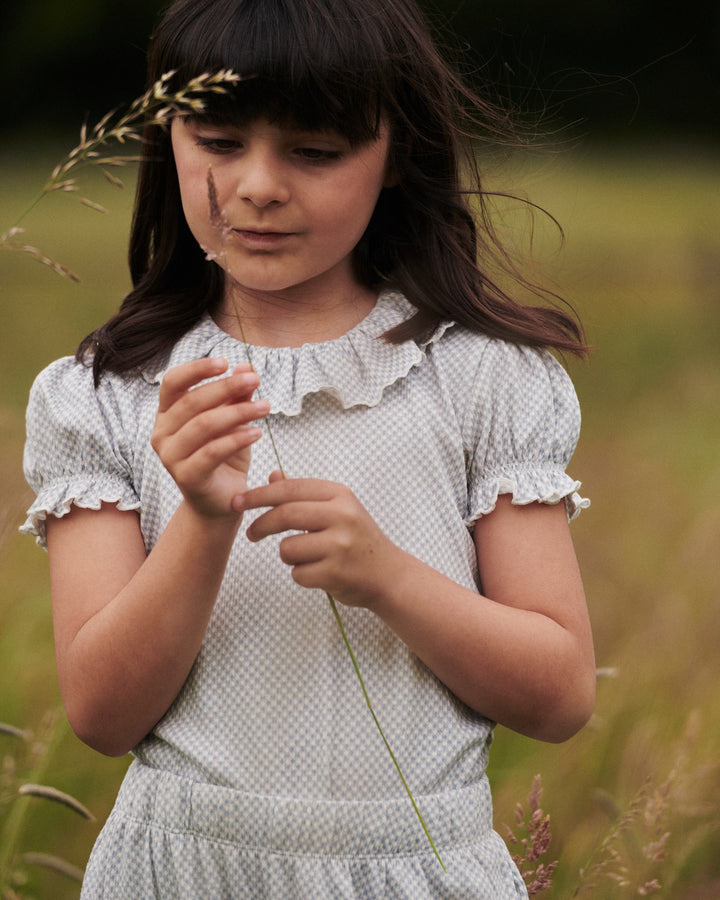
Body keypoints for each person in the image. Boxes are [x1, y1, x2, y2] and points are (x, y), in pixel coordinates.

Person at [22, 0, 596, 895]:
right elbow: (100, 712)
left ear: (396, 152)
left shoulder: (481, 378)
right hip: (182, 870)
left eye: (315, 151)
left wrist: (388, 576)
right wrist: (203, 521)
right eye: (217, 141)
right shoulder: (107, 393)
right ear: (167, 135)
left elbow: (559, 696)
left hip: (419, 872)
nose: (258, 185)